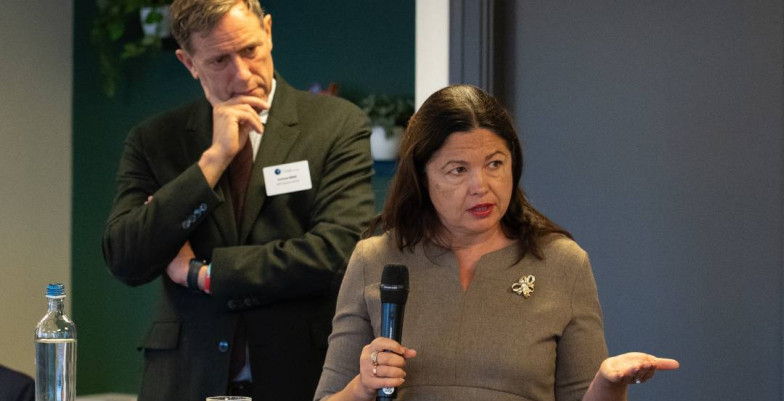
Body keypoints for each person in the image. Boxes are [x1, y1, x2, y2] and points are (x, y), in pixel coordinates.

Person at [313, 85, 679, 401]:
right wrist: (362, 386)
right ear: (422, 177)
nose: (482, 186)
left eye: (494, 164)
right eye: (459, 170)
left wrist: (609, 382)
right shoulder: (374, 259)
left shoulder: (562, 262)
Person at [101, 0, 374, 400]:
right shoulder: (155, 140)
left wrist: (205, 274)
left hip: (300, 376)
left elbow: (340, 250)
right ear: (188, 62)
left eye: (250, 50)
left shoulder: (335, 124)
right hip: (185, 378)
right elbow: (126, 257)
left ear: (268, 31)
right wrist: (211, 164)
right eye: (219, 61)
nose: (243, 75)